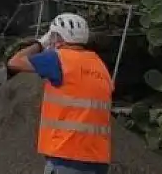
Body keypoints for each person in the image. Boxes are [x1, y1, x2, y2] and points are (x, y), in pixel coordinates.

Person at [7, 12, 113, 174]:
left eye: (53, 35)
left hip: (66, 156)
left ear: (56, 36)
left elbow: (14, 62)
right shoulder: (99, 65)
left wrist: (40, 44)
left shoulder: (57, 59)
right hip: (98, 159)